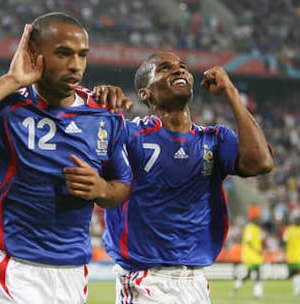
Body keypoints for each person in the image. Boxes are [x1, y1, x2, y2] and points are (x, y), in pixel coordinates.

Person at [0, 12, 132, 304]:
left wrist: (102, 189)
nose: (75, 65)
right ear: (35, 54)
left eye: (82, 55)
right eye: (64, 54)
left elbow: (122, 185)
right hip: (13, 271)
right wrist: (12, 79)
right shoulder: (7, 106)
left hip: (72, 274)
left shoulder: (104, 114)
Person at [100, 51, 274, 303]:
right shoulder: (128, 135)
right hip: (145, 280)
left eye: (182, 66)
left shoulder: (214, 138)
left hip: (196, 282)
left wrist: (230, 92)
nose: (179, 70)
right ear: (145, 93)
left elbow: (261, 162)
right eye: (165, 68)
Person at [232, 204, 265, 298]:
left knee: (249, 275)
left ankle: (236, 286)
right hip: (250, 255)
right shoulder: (249, 228)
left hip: (256, 255)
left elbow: (260, 241)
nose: (258, 220)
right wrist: (257, 249)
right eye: (256, 218)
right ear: (252, 219)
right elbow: (249, 241)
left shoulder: (258, 228)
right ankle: (257, 293)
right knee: (256, 273)